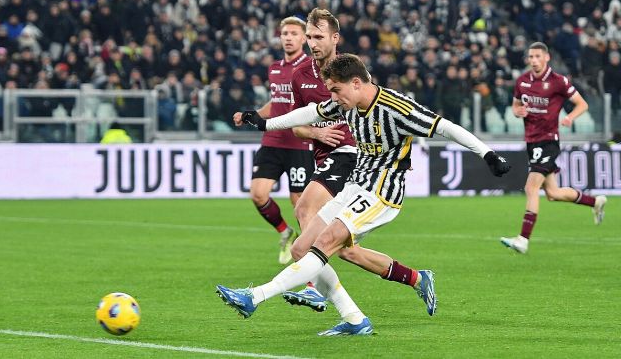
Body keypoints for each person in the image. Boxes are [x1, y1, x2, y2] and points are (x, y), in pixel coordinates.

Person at [217, 53, 511, 335]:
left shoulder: (396, 108)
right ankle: (362, 315)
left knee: (328, 241)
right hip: (355, 186)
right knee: (301, 248)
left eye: (336, 90)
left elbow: (446, 127)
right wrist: (266, 122)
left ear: (356, 83)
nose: (332, 97)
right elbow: (312, 112)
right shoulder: (346, 103)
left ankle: (254, 297)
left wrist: (487, 154)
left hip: (382, 191)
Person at [280, 8, 441, 322]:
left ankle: (313, 285)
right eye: (308, 36)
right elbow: (298, 124)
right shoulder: (299, 75)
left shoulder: (350, 70)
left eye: (317, 36)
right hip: (322, 154)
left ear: (334, 39)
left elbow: (374, 111)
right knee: (346, 250)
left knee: (304, 212)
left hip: (351, 156)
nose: (311, 42)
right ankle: (416, 279)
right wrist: (313, 130)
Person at [500, 42, 607, 254]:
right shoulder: (522, 82)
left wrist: (569, 117)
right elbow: (515, 106)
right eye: (530, 57)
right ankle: (596, 202)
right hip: (531, 142)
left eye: (537, 56)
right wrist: (517, 111)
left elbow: (582, 104)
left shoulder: (559, 81)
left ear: (546, 58)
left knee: (531, 187)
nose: (533, 60)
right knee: (553, 193)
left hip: (548, 141)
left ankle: (523, 239)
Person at [231, 17, 315, 264]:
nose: (288, 37)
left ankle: (308, 257)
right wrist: (252, 115)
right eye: (285, 33)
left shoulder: (311, 66)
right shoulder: (275, 68)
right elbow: (276, 102)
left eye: (293, 33)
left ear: (303, 39)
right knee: (258, 194)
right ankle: (285, 232)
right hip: (272, 140)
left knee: (299, 204)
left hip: (299, 143)